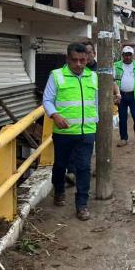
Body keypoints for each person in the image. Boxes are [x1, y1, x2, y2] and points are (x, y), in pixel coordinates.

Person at [42, 43, 98, 221]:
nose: (79, 64)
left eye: (83, 60)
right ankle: (59, 190)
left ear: (88, 59)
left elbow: (95, 102)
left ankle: (82, 205)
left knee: (84, 168)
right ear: (67, 59)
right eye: (75, 60)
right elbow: (47, 100)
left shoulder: (93, 77)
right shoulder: (57, 76)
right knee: (60, 165)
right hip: (63, 133)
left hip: (87, 131)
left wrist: (96, 122)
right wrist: (55, 115)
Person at [114, 46, 135, 147]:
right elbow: (112, 81)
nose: (128, 57)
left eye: (130, 55)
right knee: (122, 117)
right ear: (122, 55)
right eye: (126, 55)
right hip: (121, 96)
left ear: (132, 55)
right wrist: (114, 95)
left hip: (134, 95)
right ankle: (123, 138)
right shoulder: (116, 66)